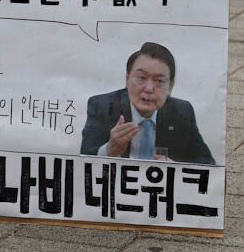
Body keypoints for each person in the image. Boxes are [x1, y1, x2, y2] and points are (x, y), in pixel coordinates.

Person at [80, 41, 215, 164]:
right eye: (141, 78)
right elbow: (83, 158)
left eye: (159, 81)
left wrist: (175, 167)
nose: (149, 89)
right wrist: (109, 150)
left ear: (170, 86)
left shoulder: (182, 111)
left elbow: (207, 162)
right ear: (127, 79)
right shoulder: (102, 106)